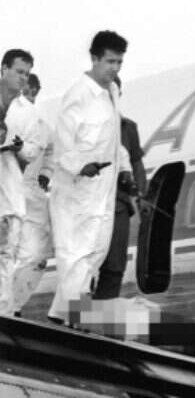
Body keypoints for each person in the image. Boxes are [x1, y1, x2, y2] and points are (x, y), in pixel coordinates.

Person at [48, 31, 133, 325]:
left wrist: (125, 170)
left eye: (119, 63)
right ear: (94, 59)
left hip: (102, 191)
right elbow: (63, 146)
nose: (114, 69)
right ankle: (74, 318)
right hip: (76, 191)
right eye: (110, 62)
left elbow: (114, 141)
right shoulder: (78, 95)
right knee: (75, 256)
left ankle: (61, 315)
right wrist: (81, 166)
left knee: (95, 253)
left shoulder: (112, 93)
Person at [92, 75, 146, 299]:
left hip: (119, 205)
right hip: (90, 204)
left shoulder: (128, 128)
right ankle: (75, 311)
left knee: (115, 265)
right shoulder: (85, 127)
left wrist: (141, 195)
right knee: (86, 264)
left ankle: (102, 310)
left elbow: (137, 163)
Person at [11, 74, 56, 317]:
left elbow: (51, 152)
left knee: (37, 256)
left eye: (33, 92)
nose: (29, 96)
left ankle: (13, 307)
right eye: (25, 91)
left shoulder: (43, 127)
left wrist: (46, 174)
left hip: (32, 193)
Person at [0, 49, 37, 315]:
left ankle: (2, 313)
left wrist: (19, 146)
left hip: (10, 195)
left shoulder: (27, 111)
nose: (23, 78)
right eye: (19, 72)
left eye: (27, 73)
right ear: (4, 69)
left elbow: (33, 151)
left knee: (6, 255)